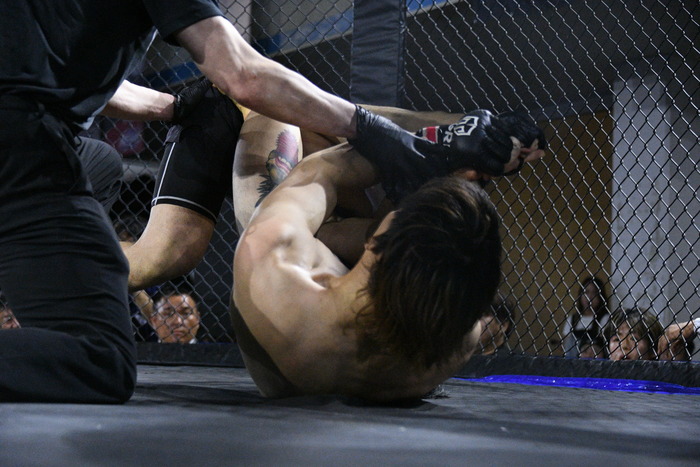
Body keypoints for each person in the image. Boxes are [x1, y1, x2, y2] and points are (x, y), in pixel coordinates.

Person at [0, 0, 478, 402]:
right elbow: (245, 79)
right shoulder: (296, 256)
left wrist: (172, 108)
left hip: (38, 134)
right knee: (103, 351)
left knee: (103, 165)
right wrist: (398, 133)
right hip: (24, 141)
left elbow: (66, 78)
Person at [231, 118, 545, 400]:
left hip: (295, 322)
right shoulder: (458, 341)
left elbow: (321, 172)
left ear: (373, 243)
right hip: (388, 349)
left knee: (272, 122)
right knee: (325, 138)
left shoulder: (276, 265)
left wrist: (413, 148)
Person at [133, 284, 201, 344]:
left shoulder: (208, 353)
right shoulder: (138, 352)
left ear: (198, 318)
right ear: (154, 321)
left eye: (186, 314)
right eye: (168, 314)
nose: (178, 321)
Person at [562, 276, 610, 358]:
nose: (589, 297)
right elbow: (566, 344)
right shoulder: (573, 319)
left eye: (594, 293)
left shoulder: (605, 318)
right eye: (586, 292)